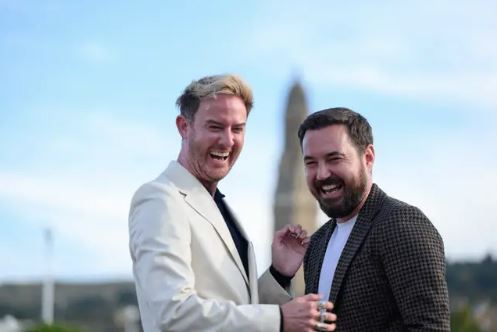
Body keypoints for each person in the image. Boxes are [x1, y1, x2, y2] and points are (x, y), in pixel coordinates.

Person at [128, 74, 336, 332]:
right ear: (184, 126)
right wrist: (281, 320)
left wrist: (278, 274)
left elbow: (238, 308)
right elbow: (172, 313)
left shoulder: (217, 205)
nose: (227, 141)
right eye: (215, 127)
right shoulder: (160, 198)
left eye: (237, 128)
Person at [299, 107, 450, 331]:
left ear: (368, 157)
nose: (322, 174)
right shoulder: (317, 242)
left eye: (334, 158)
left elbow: (429, 328)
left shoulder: (401, 224)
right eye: (311, 163)